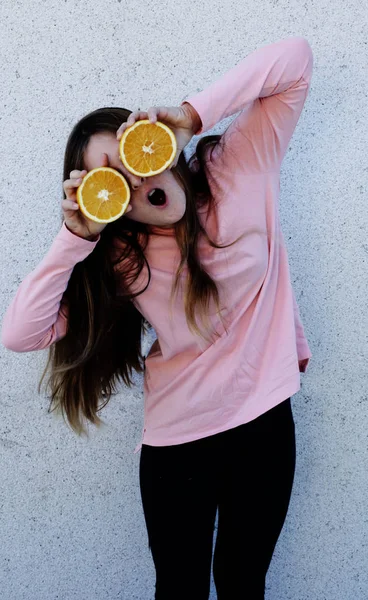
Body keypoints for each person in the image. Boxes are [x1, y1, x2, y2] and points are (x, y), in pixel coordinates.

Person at [1, 34, 313, 600]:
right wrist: (75, 237)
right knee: (179, 589)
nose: (136, 180)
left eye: (132, 156)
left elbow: (294, 59)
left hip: (265, 421)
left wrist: (192, 115)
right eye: (112, 182)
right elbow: (20, 333)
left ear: (153, 142)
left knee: (244, 584)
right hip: (178, 443)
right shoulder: (120, 257)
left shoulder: (236, 165)